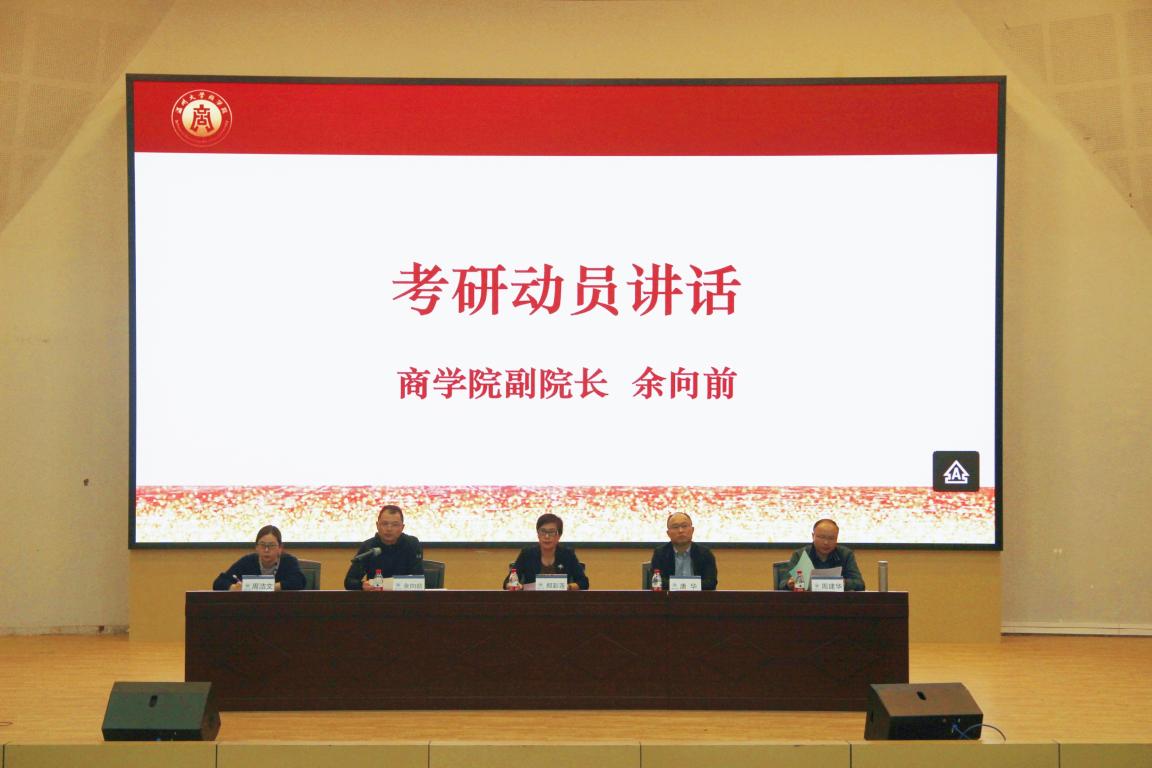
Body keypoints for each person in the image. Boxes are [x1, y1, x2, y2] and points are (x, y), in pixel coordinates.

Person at [344, 504, 424, 590]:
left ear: (402, 527)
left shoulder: (412, 544)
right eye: (385, 524)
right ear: (377, 525)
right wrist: (362, 585)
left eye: (395, 525)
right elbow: (349, 582)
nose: (389, 529)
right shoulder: (368, 547)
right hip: (376, 596)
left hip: (405, 596)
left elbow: (418, 580)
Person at [504, 513, 589, 590]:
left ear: (559, 535)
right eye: (543, 531)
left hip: (561, 600)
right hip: (532, 600)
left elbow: (584, 583)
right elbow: (507, 583)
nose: (547, 536)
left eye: (551, 532)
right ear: (538, 534)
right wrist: (514, 585)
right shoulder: (527, 554)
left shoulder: (567, 554)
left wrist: (568, 587)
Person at [778, 518, 865, 591]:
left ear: (837, 538)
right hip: (807, 602)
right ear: (813, 536)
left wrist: (843, 583)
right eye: (822, 537)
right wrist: (790, 584)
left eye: (831, 538)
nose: (826, 542)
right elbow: (782, 584)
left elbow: (860, 584)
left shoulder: (845, 555)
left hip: (837, 602)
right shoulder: (801, 554)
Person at [212, 525, 306, 590]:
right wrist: (234, 588)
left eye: (271, 545)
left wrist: (269, 587)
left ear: (280, 548)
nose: (266, 550)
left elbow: (299, 582)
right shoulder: (248, 561)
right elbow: (218, 583)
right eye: (262, 545)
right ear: (256, 547)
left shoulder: (289, 561)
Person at [648, 512, 718, 590]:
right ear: (668, 533)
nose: (680, 531)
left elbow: (711, 583)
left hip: (698, 597)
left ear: (692, 530)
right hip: (669, 597)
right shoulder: (660, 554)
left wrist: (680, 586)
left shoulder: (705, 553)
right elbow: (657, 582)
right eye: (675, 527)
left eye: (684, 526)